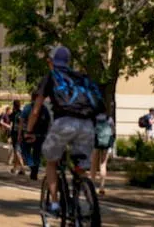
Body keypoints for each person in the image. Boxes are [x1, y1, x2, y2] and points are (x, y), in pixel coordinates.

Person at [25, 46, 105, 218]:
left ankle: (54, 204)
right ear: (68, 63)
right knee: (80, 167)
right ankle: (82, 197)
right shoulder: (81, 77)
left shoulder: (51, 77)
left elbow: (36, 110)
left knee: (51, 161)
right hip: (87, 125)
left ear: (51, 62)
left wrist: (29, 131)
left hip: (64, 123)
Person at [20, 92, 51, 180]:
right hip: (41, 135)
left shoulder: (28, 107)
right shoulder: (44, 108)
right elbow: (48, 122)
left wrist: (20, 134)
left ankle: (32, 165)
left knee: (25, 150)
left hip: (29, 133)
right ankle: (35, 171)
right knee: (37, 153)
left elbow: (22, 122)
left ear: (31, 98)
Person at [91, 111, 115, 195]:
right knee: (103, 164)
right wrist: (111, 146)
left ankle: (92, 185)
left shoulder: (93, 117)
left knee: (93, 165)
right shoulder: (109, 119)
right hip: (106, 143)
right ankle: (102, 186)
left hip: (95, 142)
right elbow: (113, 132)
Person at [9, 99, 27, 175]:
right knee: (17, 150)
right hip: (23, 133)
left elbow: (10, 119)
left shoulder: (14, 114)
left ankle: (22, 168)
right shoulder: (22, 113)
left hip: (16, 134)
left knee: (17, 151)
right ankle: (14, 168)